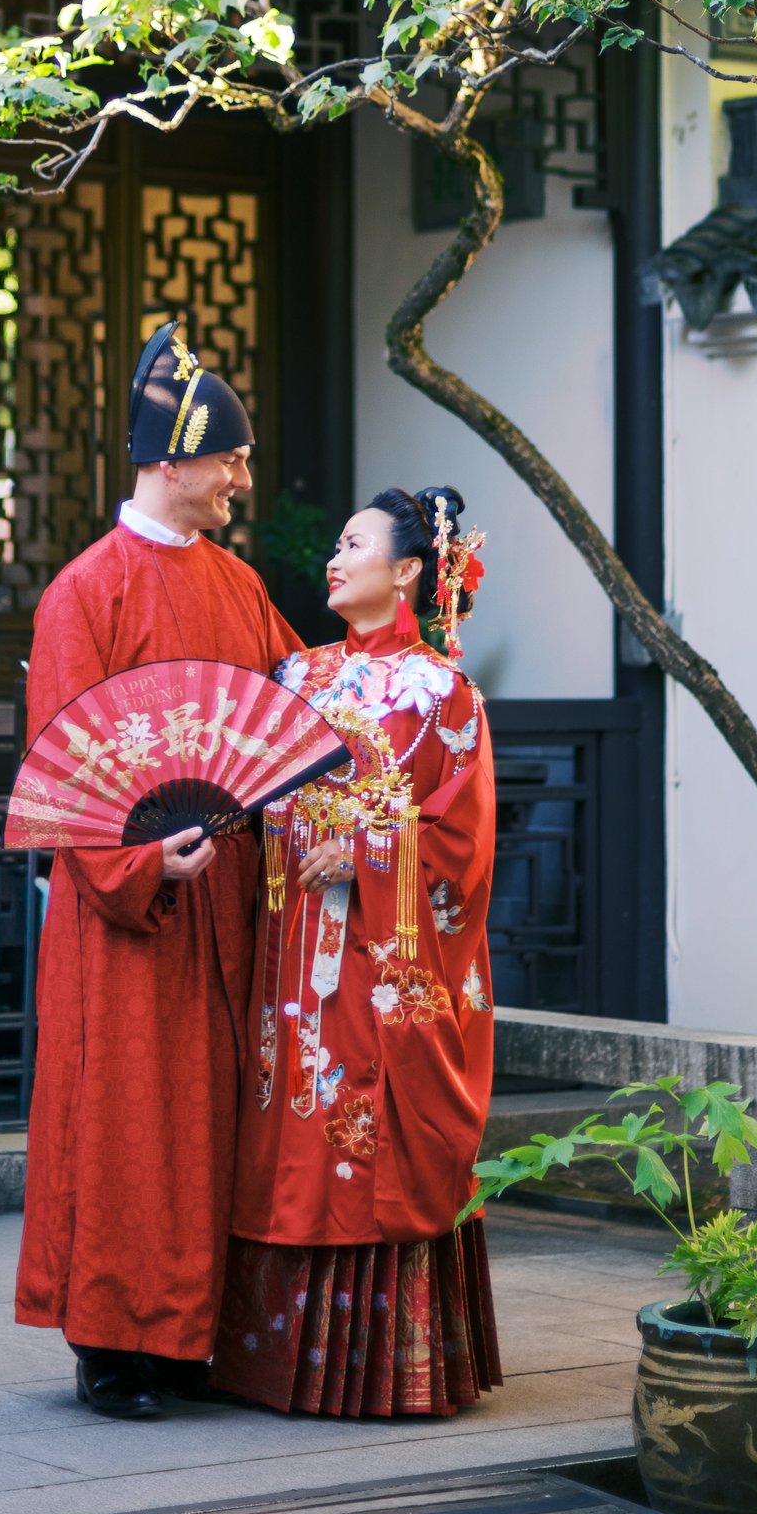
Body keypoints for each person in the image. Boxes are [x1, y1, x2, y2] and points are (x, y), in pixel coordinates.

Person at [13, 318, 301, 1419]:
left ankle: (195, 1336)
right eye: (229, 456)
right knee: (127, 1122)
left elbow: (290, 707)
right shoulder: (87, 592)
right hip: (128, 913)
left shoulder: (238, 585)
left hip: (227, 901)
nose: (241, 477)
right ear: (172, 459)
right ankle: (112, 1343)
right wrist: (137, 860)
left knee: (212, 1120)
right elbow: (69, 763)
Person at [213, 484, 503, 1419]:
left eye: (354, 544)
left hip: (386, 963)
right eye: (335, 545)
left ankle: (382, 1368)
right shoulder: (297, 676)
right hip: (296, 946)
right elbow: (258, 788)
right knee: (289, 1124)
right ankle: (271, 1360)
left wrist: (374, 844)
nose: (333, 559)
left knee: (363, 1140)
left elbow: (462, 844)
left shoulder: (443, 692)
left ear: (409, 569)